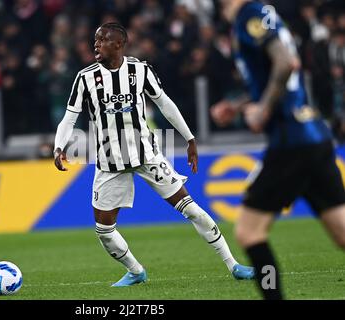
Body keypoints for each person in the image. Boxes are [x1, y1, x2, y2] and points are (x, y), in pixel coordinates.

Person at [53, 22, 254, 287]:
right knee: (104, 230)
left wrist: (190, 138)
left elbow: (165, 104)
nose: (96, 44)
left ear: (119, 44)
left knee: (191, 209)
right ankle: (136, 271)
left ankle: (234, 264)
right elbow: (69, 118)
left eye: (102, 39)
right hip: (109, 162)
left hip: (147, 155)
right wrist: (59, 146)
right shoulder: (85, 77)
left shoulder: (140, 70)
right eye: (95, 39)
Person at [211, 0, 345, 300]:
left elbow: (286, 63)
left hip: (291, 143)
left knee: (249, 233)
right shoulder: (264, 14)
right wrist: (240, 106)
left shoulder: (249, 15)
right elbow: (279, 75)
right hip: (314, 135)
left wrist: (263, 110)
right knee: (342, 234)